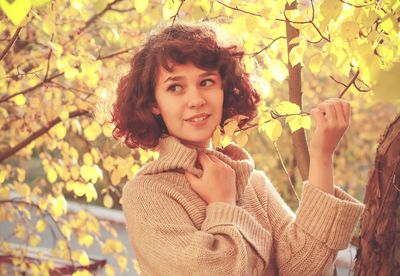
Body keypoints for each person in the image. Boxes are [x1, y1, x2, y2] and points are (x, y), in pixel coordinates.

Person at [111, 22, 364, 276]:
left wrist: (322, 155)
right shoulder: (147, 193)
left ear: (224, 88)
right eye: (175, 87)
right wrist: (223, 201)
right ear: (154, 102)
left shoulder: (254, 184)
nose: (196, 100)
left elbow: (305, 269)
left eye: (207, 82)